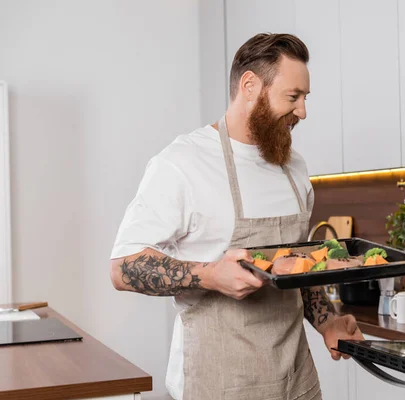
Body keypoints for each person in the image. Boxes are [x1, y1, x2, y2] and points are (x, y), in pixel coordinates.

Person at [109, 33, 364, 400]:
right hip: (219, 384)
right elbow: (122, 268)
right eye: (293, 97)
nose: (303, 112)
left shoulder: (294, 167)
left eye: (305, 98)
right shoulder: (182, 163)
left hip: (297, 382)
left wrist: (328, 322)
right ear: (250, 86)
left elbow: (297, 265)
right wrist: (209, 275)